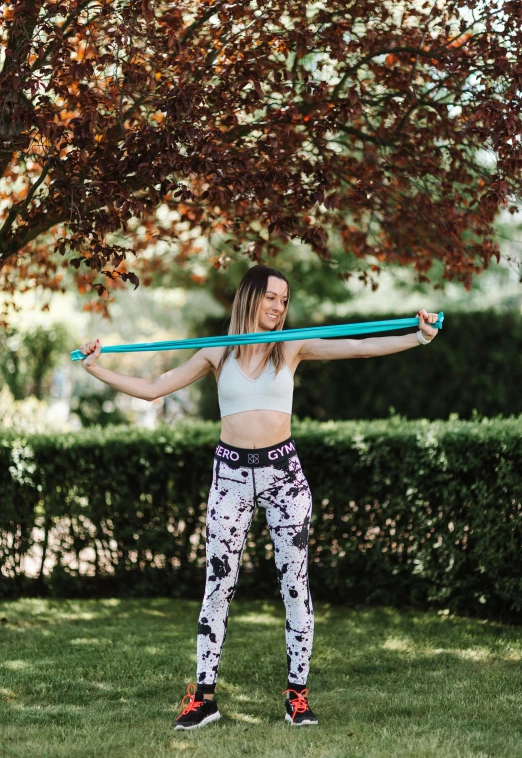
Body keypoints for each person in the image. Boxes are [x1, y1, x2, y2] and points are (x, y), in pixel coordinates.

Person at [78, 265, 439, 729]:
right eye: (271, 297)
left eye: (284, 301)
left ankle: (297, 696)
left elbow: (359, 346)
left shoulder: (289, 346)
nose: (278, 307)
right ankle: (204, 698)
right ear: (249, 297)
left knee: (295, 585)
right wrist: (95, 367)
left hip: (283, 474)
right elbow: (152, 389)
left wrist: (419, 336)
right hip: (230, 475)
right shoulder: (216, 351)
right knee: (217, 586)